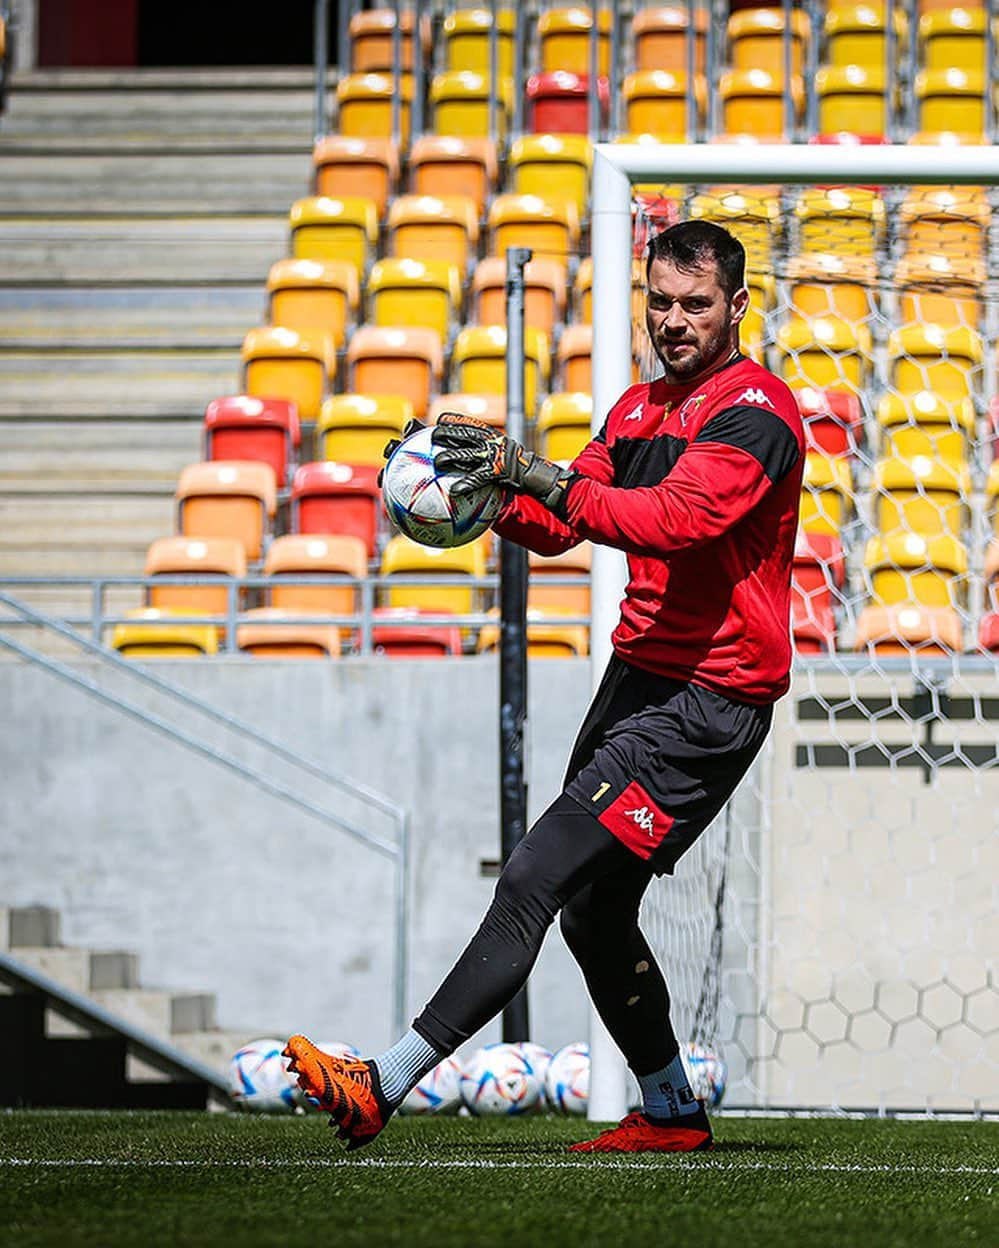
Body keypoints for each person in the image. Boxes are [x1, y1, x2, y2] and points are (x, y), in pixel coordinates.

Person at [285, 219, 805, 1153]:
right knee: (592, 910)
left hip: (708, 701)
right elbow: (567, 520)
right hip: (638, 683)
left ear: (736, 306)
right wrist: (475, 497)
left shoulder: (755, 412)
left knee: (531, 876)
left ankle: (379, 1080)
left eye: (696, 303)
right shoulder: (636, 409)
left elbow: (669, 521)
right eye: (661, 301)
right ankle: (672, 1114)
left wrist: (534, 471)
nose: (674, 320)